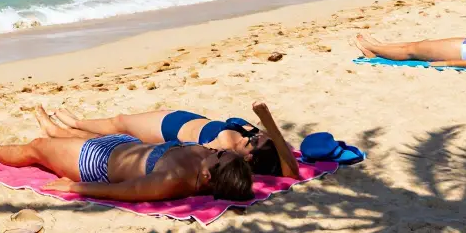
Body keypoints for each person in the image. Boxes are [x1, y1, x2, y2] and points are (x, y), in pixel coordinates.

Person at [0, 123, 254, 203]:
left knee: (36, 148)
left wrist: (75, 186)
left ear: (206, 178)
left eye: (217, 156)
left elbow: (128, 191)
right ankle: (57, 128)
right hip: (124, 147)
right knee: (63, 137)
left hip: (94, 162)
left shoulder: (172, 181)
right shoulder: (208, 165)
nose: (213, 151)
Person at [33, 101, 300, 178]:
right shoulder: (252, 146)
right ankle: (68, 125)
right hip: (190, 117)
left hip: (170, 127)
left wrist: (263, 120)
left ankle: (70, 125)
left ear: (250, 157)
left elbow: (292, 173)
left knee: (120, 124)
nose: (254, 138)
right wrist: (266, 133)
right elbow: (287, 160)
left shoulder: (225, 152)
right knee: (118, 132)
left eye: (253, 143)